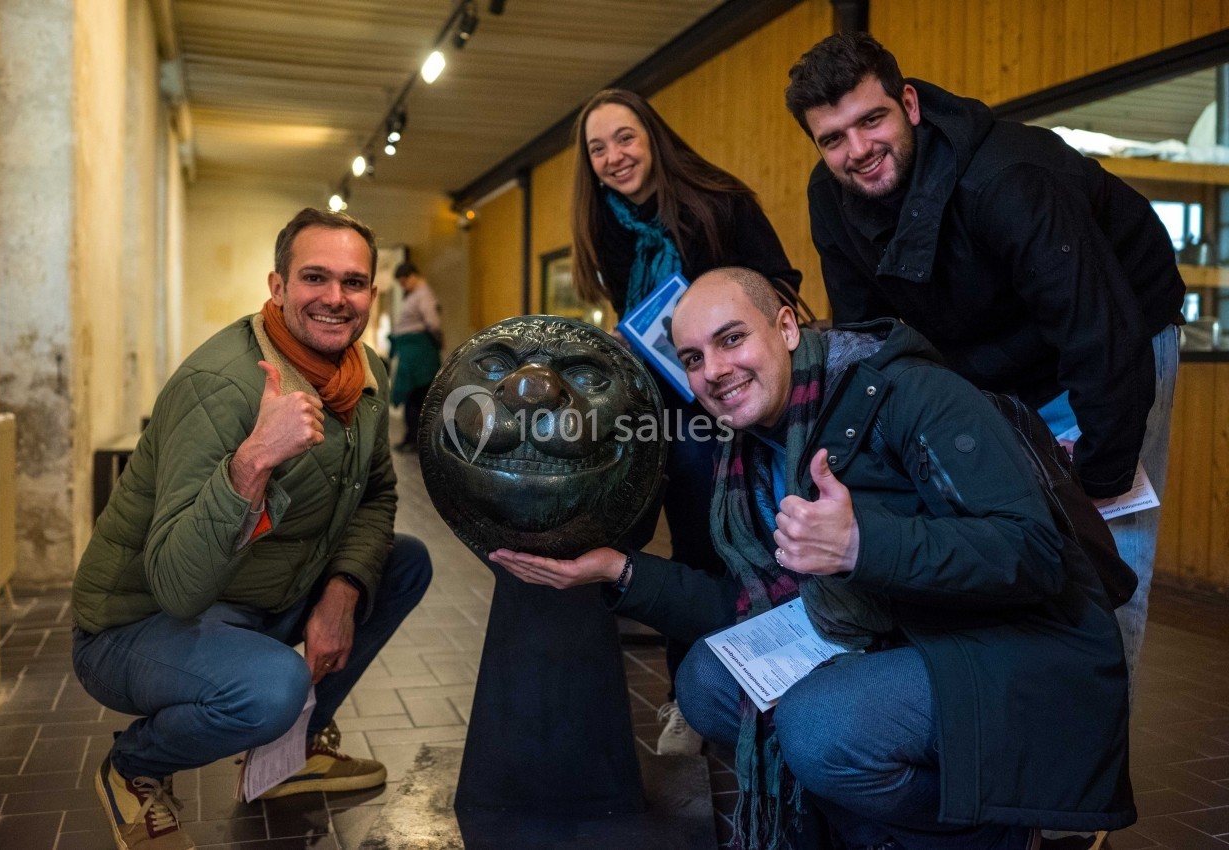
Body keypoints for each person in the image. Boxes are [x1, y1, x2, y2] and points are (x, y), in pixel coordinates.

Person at [490, 267, 1133, 850]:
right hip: (896, 632)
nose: (714, 370)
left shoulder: (910, 394)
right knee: (708, 685)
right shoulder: (751, 447)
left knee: (821, 725)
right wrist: (616, 570)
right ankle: (875, 831)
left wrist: (862, 545)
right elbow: (750, 608)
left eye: (732, 339)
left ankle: (989, 835)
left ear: (787, 327)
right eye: (692, 357)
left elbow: (1033, 553)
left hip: (1011, 648)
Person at [786, 33, 1185, 706]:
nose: (856, 151)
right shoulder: (831, 198)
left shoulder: (1009, 176)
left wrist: (1101, 474)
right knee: (1003, 530)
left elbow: (1099, 331)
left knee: (1103, 552)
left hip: (1116, 333)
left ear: (908, 103)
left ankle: (1088, 763)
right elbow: (866, 337)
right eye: (831, 139)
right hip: (988, 352)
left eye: (871, 120)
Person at [71, 208, 432, 850]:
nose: (334, 298)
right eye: (313, 278)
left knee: (402, 563)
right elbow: (178, 586)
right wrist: (254, 460)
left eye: (353, 283)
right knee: (273, 688)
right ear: (276, 286)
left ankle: (293, 754)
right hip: (136, 624)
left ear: (372, 296)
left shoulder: (365, 374)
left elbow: (376, 494)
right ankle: (134, 768)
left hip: (258, 598)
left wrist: (341, 596)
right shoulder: (219, 385)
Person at [570, 87, 803, 755]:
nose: (614, 156)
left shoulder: (718, 201)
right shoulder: (608, 227)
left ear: (653, 136)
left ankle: (763, 684)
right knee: (677, 550)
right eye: (598, 148)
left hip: (742, 406)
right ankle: (687, 693)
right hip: (664, 412)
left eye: (625, 138)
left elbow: (780, 286)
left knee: (740, 541)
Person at [389, 261, 442, 453]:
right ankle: (412, 437)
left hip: (419, 351)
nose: (403, 286)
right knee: (413, 397)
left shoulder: (423, 294)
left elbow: (433, 323)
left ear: (413, 276)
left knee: (418, 397)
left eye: (404, 282)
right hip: (412, 350)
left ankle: (417, 439)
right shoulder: (414, 295)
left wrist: (437, 341)